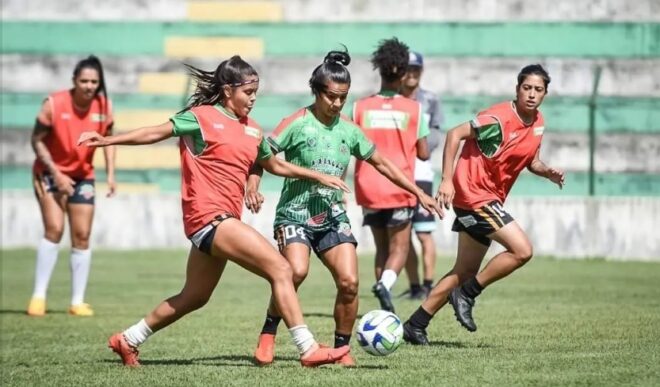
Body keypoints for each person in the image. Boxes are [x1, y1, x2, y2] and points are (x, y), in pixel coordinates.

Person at [78, 56, 351, 367]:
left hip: (223, 222)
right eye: (248, 92)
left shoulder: (253, 130)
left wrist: (316, 175)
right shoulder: (202, 118)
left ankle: (127, 340)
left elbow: (273, 164)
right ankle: (308, 348)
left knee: (195, 296)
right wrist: (107, 140)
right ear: (227, 90)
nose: (253, 99)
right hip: (209, 219)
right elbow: (155, 132)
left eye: (255, 92)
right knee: (282, 269)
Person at [245, 49, 441, 367]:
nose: (337, 104)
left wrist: (418, 192)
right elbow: (261, 157)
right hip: (294, 214)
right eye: (332, 97)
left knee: (349, 283)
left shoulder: (348, 129)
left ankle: (341, 349)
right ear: (317, 91)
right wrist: (252, 187)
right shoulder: (296, 123)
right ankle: (269, 332)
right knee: (295, 272)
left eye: (343, 97)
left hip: (333, 216)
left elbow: (382, 163)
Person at [402, 64, 565, 345]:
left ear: (545, 94)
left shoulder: (538, 123)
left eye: (538, 90)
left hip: (486, 198)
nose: (531, 94)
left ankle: (415, 325)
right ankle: (467, 294)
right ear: (517, 89)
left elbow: (531, 160)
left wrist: (545, 171)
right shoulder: (498, 118)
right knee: (522, 250)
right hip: (474, 196)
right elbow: (454, 134)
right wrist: (446, 180)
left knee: (463, 270)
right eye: (527, 88)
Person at [27, 55, 116, 317]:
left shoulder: (104, 105)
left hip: (83, 177)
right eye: (84, 81)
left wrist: (111, 174)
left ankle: (77, 301)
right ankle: (38, 296)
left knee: (82, 235)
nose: (89, 86)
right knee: (54, 229)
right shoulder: (53, 104)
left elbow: (108, 141)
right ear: (74, 81)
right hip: (49, 173)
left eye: (94, 82)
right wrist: (55, 173)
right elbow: (36, 140)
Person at [352, 38, 433, 313]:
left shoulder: (359, 107)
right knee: (400, 248)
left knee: (381, 248)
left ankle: (384, 307)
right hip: (400, 187)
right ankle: (385, 286)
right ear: (401, 72)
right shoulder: (414, 108)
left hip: (368, 187)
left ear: (381, 69)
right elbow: (423, 153)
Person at [399, 51, 444, 300]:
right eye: (408, 69)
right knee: (402, 232)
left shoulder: (430, 100)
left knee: (424, 232)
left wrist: (421, 146)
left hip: (422, 174)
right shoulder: (392, 101)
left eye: (416, 69)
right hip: (399, 176)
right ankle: (414, 286)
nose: (412, 74)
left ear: (421, 71)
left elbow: (437, 131)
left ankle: (429, 284)